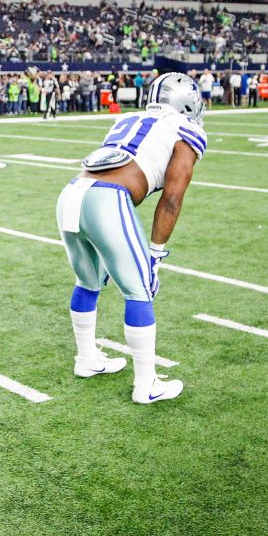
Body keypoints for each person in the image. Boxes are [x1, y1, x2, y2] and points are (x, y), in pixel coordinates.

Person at [55, 72, 206, 405]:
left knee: (87, 281)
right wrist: (155, 252)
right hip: (107, 198)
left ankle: (87, 359)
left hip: (71, 194)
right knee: (140, 289)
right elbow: (172, 198)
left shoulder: (130, 117)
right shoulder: (186, 129)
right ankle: (146, 384)